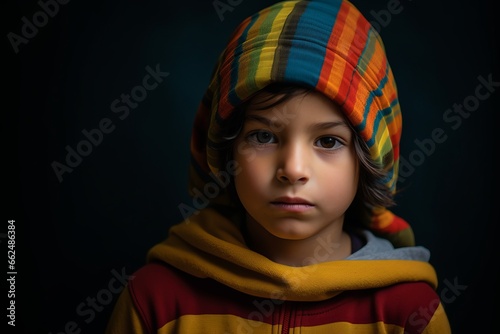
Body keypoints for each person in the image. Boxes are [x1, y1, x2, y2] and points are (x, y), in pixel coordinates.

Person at [105, 0, 452, 332]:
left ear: (368, 160)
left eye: (328, 141)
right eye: (263, 137)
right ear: (226, 151)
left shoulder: (408, 312)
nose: (293, 169)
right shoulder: (156, 301)